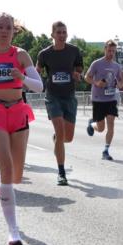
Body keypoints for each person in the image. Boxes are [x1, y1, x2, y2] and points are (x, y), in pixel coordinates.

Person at [0, 13, 43, 245]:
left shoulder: (21, 55)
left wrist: (22, 77)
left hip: (18, 111)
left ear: (13, 31)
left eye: (8, 28)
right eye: (0, 27)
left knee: (15, 176)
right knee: (6, 168)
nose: (4, 31)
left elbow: (39, 86)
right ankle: (13, 230)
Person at [36, 21, 83, 185]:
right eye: (59, 32)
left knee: (67, 138)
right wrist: (34, 76)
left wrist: (77, 74)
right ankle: (61, 173)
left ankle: (57, 138)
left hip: (69, 96)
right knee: (60, 131)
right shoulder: (44, 54)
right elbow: (37, 70)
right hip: (53, 97)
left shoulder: (74, 51)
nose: (62, 35)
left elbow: (79, 68)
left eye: (64, 32)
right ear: (53, 35)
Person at [84, 39, 123, 160]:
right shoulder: (97, 63)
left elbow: (120, 85)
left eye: (113, 51)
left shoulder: (116, 66)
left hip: (111, 99)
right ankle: (92, 124)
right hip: (98, 99)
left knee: (111, 124)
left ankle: (106, 151)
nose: (111, 53)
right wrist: (96, 83)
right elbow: (87, 77)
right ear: (105, 50)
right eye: (109, 51)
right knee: (101, 128)